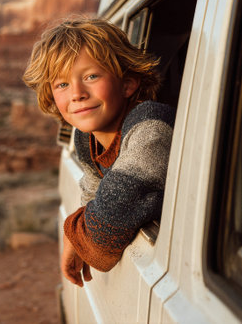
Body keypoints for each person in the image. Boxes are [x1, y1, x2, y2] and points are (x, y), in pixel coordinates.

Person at [23, 18, 175, 287]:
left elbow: (106, 230)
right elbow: (93, 196)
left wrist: (75, 234)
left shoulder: (150, 128)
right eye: (62, 84)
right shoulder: (85, 139)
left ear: (127, 84)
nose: (77, 94)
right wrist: (81, 232)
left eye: (91, 76)